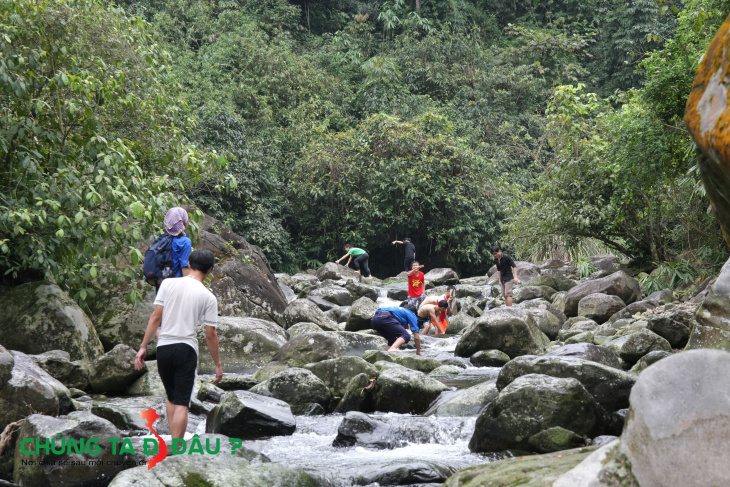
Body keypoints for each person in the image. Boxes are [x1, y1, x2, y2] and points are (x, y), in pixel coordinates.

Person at [134, 249, 222, 441]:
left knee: (171, 397)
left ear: (189, 264)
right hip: (186, 349)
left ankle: (169, 448)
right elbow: (210, 335)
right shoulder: (208, 297)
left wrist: (142, 347)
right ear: (209, 270)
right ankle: (177, 448)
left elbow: (156, 317)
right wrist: (217, 364)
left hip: (163, 348)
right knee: (182, 402)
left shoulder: (168, 283)